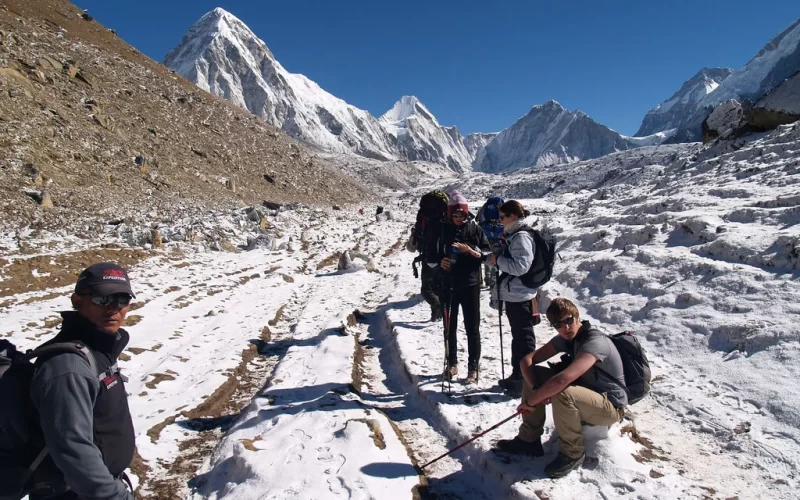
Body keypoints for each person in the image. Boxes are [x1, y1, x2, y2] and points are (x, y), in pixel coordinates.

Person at [29, 263, 137, 499]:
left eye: (122, 299)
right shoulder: (68, 367)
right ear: (77, 301)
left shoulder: (100, 349)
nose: (113, 308)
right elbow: (73, 449)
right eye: (101, 299)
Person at [494, 298, 628, 479]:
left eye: (568, 321)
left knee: (563, 392)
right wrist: (536, 387)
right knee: (535, 375)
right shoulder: (567, 339)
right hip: (587, 393)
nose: (565, 328)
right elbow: (527, 361)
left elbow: (563, 380)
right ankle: (528, 440)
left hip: (610, 406)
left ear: (577, 317)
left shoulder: (595, 342)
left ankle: (573, 453)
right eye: (558, 324)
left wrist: (531, 401)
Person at [440, 191, 490, 383]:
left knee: (472, 327)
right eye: (456, 215)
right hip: (449, 283)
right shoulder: (443, 229)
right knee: (449, 327)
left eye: (462, 215)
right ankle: (451, 363)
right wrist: (441, 261)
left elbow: (486, 252)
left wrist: (469, 250)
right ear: (449, 214)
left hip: (470, 283)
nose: (459, 218)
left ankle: (473, 366)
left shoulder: (475, 229)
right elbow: (434, 253)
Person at [488, 200, 537, 397]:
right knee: (519, 338)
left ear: (513, 216)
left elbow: (520, 267)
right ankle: (517, 376)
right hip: (516, 293)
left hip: (520, 295)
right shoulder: (513, 235)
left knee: (524, 340)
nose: (500, 221)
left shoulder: (521, 237)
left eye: (502, 217)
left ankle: (525, 382)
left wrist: (498, 261)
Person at [476, 196, 504, 289]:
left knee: (486, 257)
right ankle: (492, 281)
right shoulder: (497, 209)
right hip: (496, 237)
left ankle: (485, 280)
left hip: (485, 236)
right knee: (494, 259)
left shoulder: (485, 208)